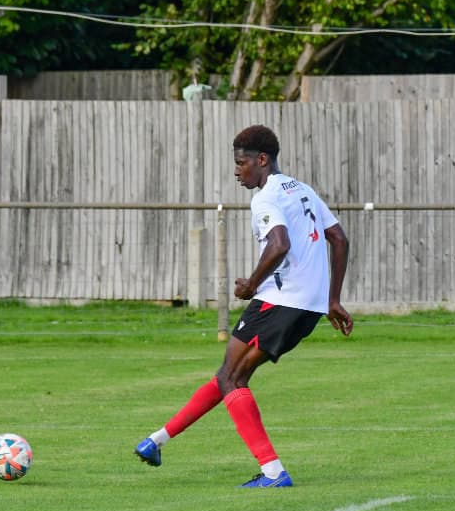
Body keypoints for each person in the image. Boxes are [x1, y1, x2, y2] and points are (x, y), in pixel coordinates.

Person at [134, 124, 353, 487]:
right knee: (230, 375)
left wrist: (251, 284)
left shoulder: (265, 197)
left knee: (230, 378)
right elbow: (339, 239)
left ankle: (273, 471)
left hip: (279, 300)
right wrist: (332, 299)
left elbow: (279, 244)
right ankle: (156, 441)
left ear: (262, 160)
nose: (237, 171)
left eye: (241, 163)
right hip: (309, 307)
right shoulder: (302, 189)